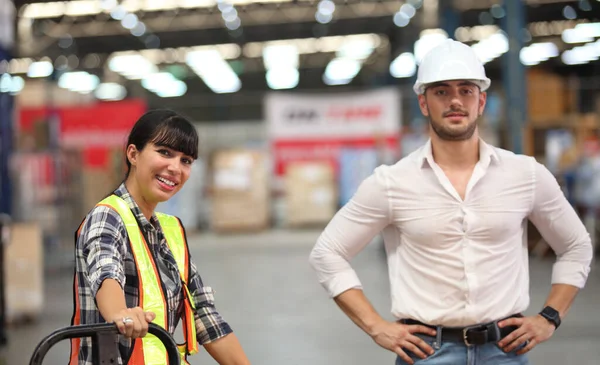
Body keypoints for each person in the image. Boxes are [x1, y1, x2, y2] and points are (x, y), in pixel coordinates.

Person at [308, 39, 593, 365]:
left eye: (466, 90)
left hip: (504, 352)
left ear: (481, 100)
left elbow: (576, 245)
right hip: (428, 352)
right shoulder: (391, 183)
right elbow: (327, 253)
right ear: (424, 103)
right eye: (441, 91)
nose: (455, 100)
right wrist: (376, 328)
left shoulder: (525, 174)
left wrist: (549, 317)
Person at [69, 109, 251, 365]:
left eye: (186, 160)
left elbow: (205, 316)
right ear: (133, 154)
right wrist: (120, 314)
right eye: (164, 152)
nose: (175, 168)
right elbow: (105, 271)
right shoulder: (107, 217)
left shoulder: (170, 230)